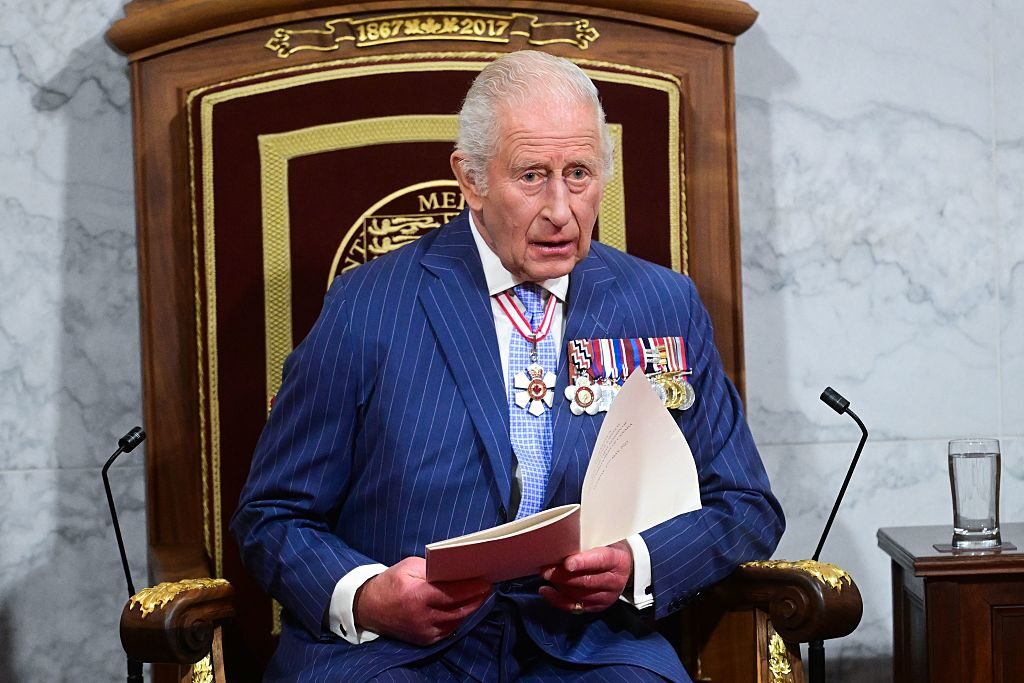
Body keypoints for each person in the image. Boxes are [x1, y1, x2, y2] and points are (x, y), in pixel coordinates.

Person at [231, 50, 784, 682]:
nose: (560, 209)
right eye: (531, 176)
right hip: (397, 652)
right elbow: (272, 515)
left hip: (586, 648)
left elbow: (743, 503)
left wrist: (638, 562)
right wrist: (366, 595)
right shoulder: (369, 306)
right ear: (470, 178)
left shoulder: (661, 304)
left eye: (579, 173)